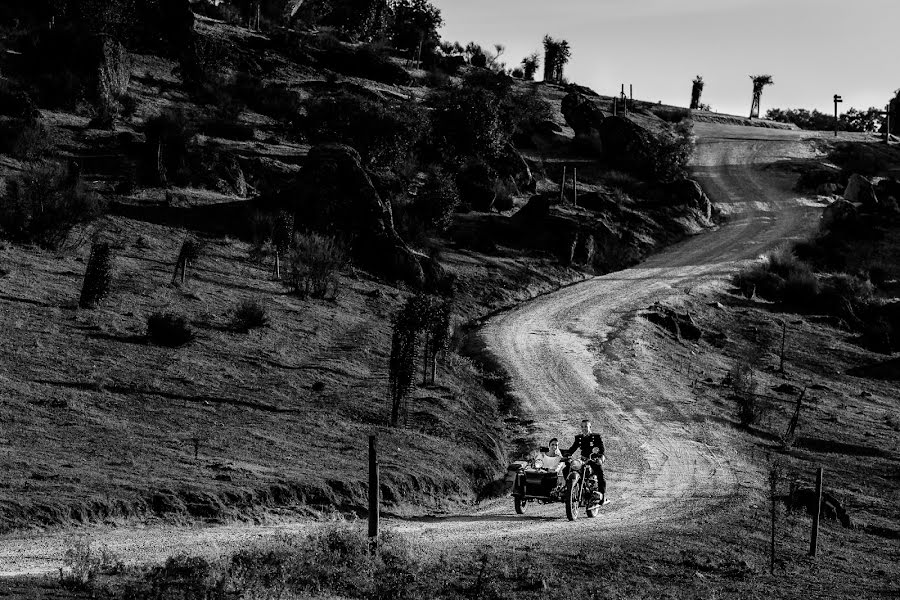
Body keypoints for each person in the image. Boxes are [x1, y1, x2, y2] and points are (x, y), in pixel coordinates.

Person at [565, 419, 607, 503]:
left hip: (593, 459)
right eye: (582, 427)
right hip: (583, 460)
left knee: (600, 474)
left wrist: (599, 458)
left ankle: (602, 495)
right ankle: (568, 489)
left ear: (590, 427)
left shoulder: (596, 437)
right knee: (567, 468)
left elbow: (602, 450)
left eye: (586, 426)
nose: (584, 428)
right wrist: (566, 454)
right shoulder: (579, 438)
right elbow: (572, 449)